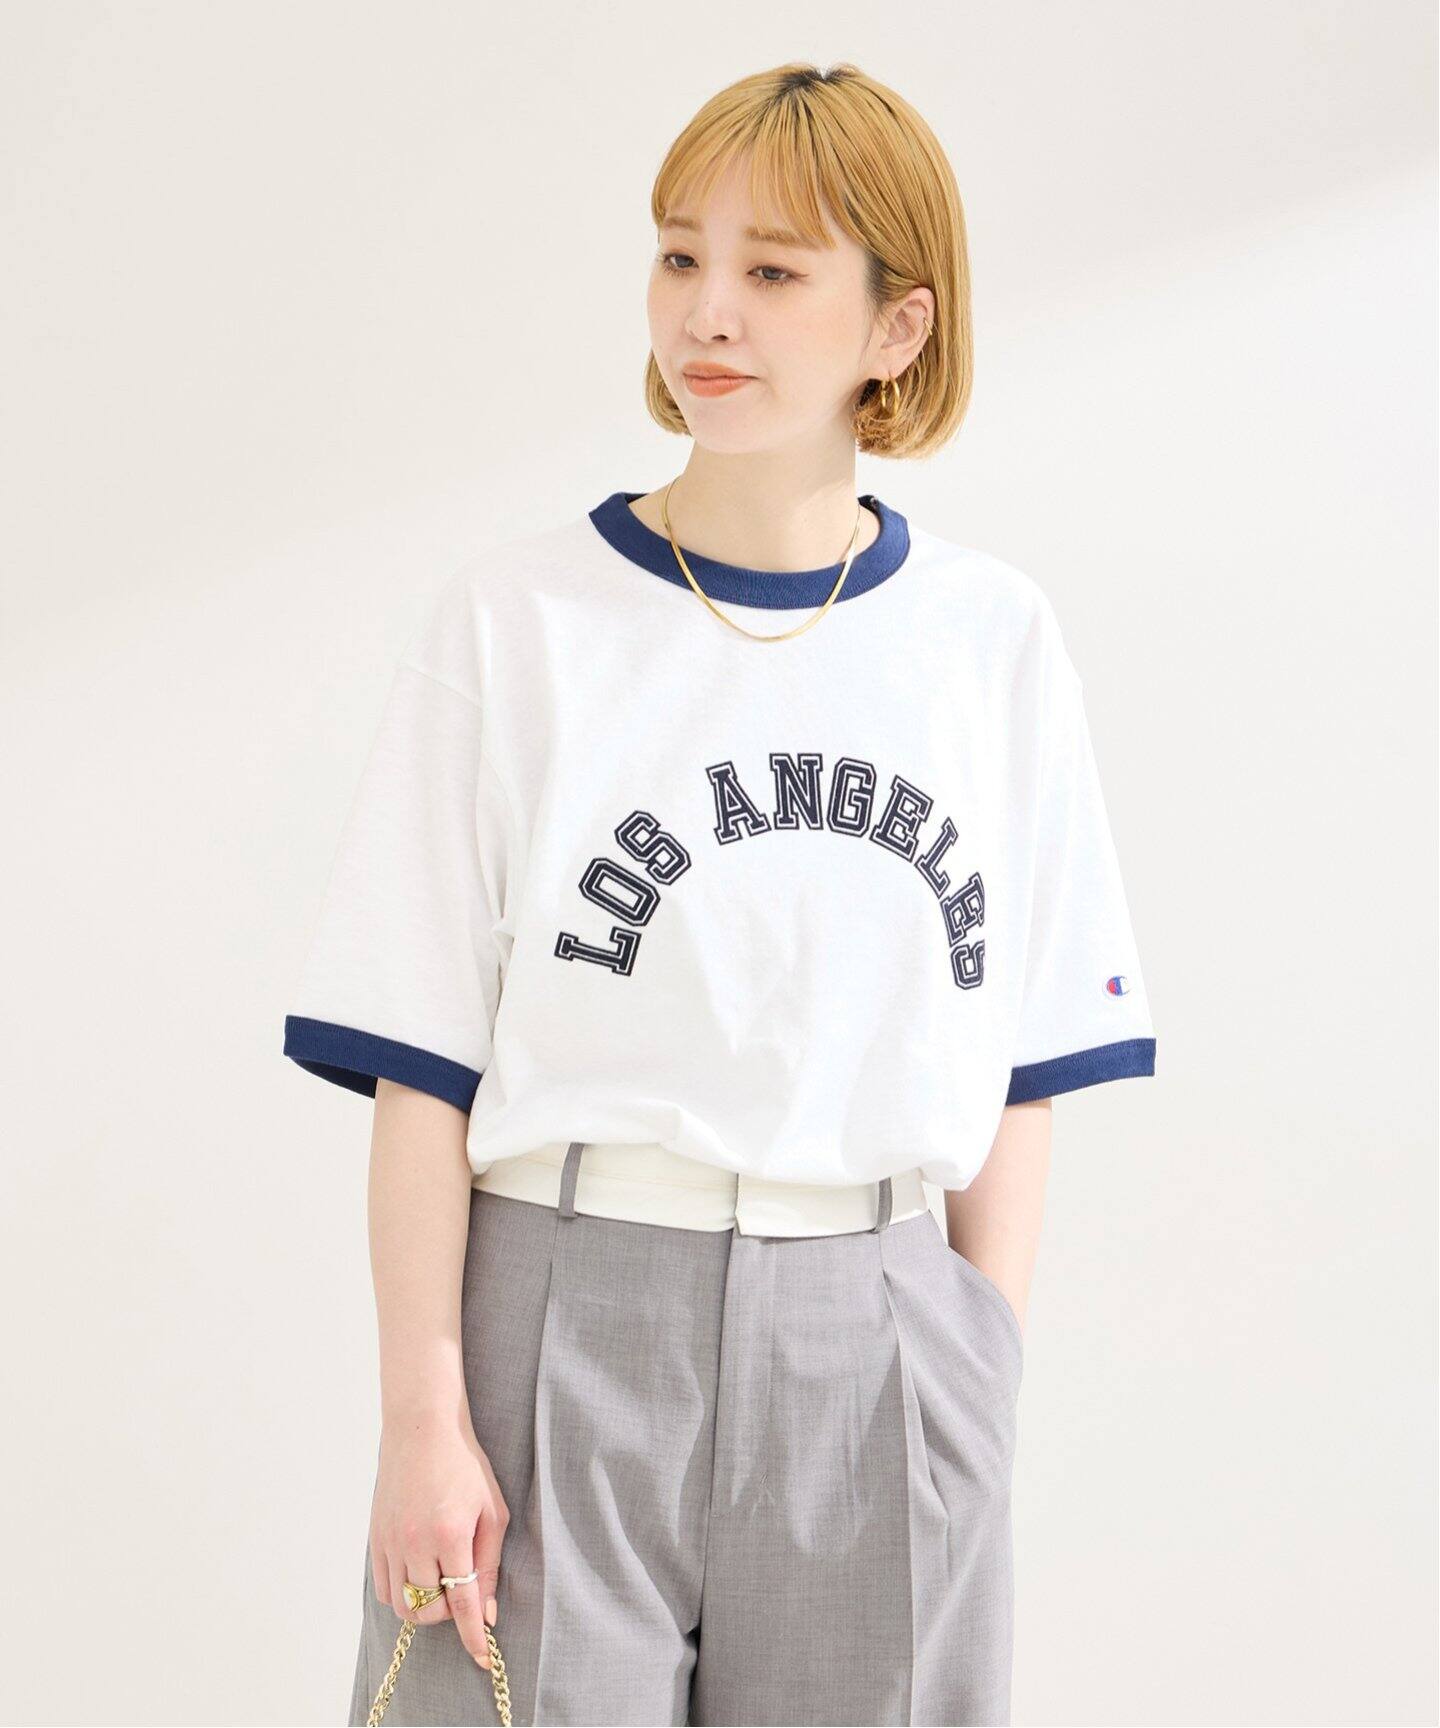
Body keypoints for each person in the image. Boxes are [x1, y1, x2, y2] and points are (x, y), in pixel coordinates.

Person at [283, 59, 1157, 1728]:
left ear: (898, 325)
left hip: (878, 1335)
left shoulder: (988, 643)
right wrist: (423, 1417)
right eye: (682, 255)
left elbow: (1026, 1060)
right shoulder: (518, 625)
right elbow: (420, 1069)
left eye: (774, 269)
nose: (709, 312)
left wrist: (977, 1372)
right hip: (561, 1311)